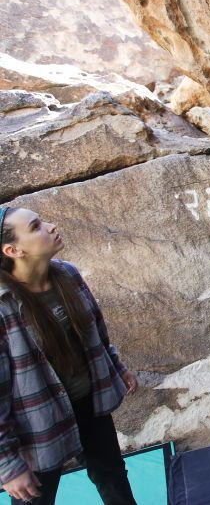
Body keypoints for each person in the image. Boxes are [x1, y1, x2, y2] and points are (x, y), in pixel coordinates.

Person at [0, 207, 139, 504]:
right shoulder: (3, 307)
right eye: (36, 226)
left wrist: (117, 367)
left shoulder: (68, 274)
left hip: (91, 404)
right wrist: (9, 465)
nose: (50, 226)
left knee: (113, 477)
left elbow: (96, 335)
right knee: (36, 498)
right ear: (13, 250)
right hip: (37, 425)